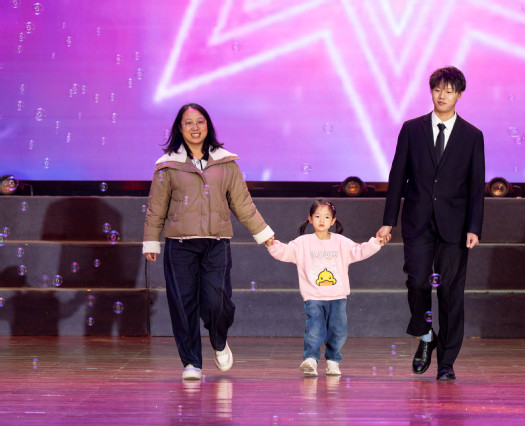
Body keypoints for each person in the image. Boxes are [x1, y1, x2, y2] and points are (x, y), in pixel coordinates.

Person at [143, 103, 274, 381]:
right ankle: (192, 362)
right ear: (180, 128)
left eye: (200, 122)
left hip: (216, 243)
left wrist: (263, 232)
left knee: (217, 301)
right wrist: (151, 241)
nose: (195, 127)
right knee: (183, 304)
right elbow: (156, 208)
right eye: (188, 123)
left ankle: (218, 339)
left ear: (208, 126)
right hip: (180, 245)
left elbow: (242, 203)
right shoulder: (167, 164)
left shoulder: (226, 163)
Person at [376, 66, 485, 381]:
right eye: (438, 89)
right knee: (417, 282)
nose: (442, 96)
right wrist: (388, 221)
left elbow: (476, 186)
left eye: (449, 91)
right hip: (417, 221)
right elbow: (398, 176)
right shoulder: (412, 129)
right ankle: (426, 336)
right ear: (431, 91)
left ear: (459, 95)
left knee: (451, 293)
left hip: (455, 225)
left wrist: (474, 227)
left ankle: (447, 363)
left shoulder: (472, 135)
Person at [264, 200, 384, 377]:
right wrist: (272, 245)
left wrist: (376, 243)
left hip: (338, 296)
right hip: (313, 295)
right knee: (314, 327)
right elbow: (287, 252)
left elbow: (359, 250)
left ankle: (333, 361)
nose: (322, 220)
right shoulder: (303, 242)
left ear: (333, 220)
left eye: (327, 217)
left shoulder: (341, 242)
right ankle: (311, 359)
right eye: (318, 216)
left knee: (338, 330)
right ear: (310, 219)